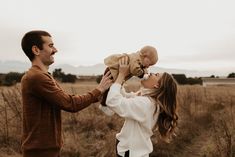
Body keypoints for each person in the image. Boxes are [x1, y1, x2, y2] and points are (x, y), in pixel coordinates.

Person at [20, 30, 112, 157]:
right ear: (36, 50)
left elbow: (66, 99)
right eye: (51, 46)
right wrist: (99, 89)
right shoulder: (36, 77)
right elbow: (70, 103)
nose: (56, 50)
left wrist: (101, 93)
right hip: (41, 152)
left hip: (45, 150)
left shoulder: (41, 75)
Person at [106, 56, 178, 157]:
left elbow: (113, 101)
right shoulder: (150, 102)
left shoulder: (146, 104)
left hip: (131, 153)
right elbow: (125, 97)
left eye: (156, 75)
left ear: (157, 85)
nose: (151, 73)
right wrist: (122, 76)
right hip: (135, 152)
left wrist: (121, 75)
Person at [99, 46, 158, 116]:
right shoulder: (135, 58)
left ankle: (102, 99)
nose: (148, 66)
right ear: (145, 56)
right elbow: (134, 69)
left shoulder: (139, 61)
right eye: (149, 63)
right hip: (112, 72)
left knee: (113, 89)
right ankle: (104, 105)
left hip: (116, 73)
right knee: (108, 89)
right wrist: (142, 75)